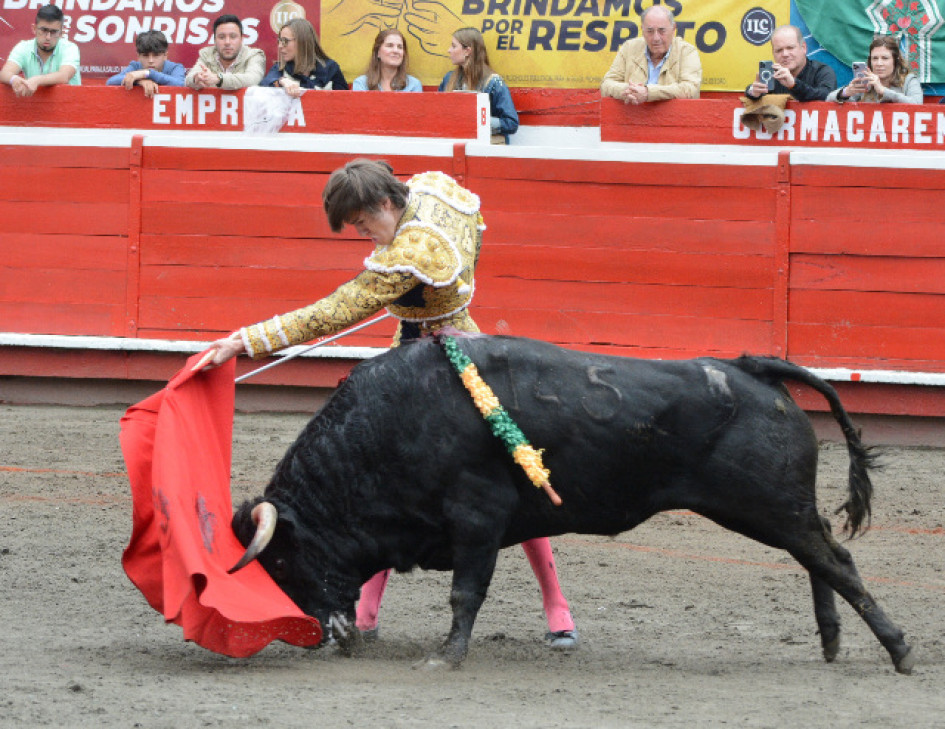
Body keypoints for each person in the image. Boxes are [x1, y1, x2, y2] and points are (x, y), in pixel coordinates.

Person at [202, 158, 579, 650]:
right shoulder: (432, 188)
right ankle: (376, 613)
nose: (364, 236)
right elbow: (472, 230)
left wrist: (244, 341)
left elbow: (334, 311)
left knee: (483, 477)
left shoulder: (414, 250)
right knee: (430, 477)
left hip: (440, 361)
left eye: (364, 223)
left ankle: (552, 602)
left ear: (385, 202)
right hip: (457, 344)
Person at [600, 5, 701, 104]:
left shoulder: (687, 51)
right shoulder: (629, 48)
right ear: (642, 30)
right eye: (650, 31)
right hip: (632, 113)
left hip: (674, 115)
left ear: (673, 28)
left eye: (662, 31)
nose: (656, 38)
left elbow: (691, 89)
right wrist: (629, 91)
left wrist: (648, 92)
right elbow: (606, 84)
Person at [438, 27, 518, 144]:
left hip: (484, 150)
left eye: (454, 46)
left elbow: (511, 123)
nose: (449, 50)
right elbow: (438, 114)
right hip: (455, 146)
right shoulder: (448, 78)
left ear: (467, 51)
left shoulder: (493, 82)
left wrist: (476, 122)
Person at [0, 4, 80, 97]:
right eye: (44, 30)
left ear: (61, 33)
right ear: (34, 29)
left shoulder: (70, 48)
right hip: (35, 104)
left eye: (53, 32)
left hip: (70, 103)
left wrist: (37, 80)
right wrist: (14, 79)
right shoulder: (23, 47)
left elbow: (64, 76)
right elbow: (4, 74)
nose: (48, 37)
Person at [745, 25, 835, 102]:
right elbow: (751, 92)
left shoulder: (822, 71)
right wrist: (753, 92)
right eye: (779, 50)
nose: (785, 54)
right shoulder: (772, 75)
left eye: (790, 48)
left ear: (803, 48)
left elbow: (827, 96)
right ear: (773, 53)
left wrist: (794, 85)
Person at [260, 18, 348, 97]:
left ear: (302, 42)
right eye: (279, 41)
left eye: (285, 41)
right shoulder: (280, 68)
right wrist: (282, 81)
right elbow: (264, 85)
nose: (280, 46)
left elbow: (345, 101)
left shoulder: (331, 69)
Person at [827, 35, 922, 104]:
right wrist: (846, 92)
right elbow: (828, 100)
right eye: (875, 58)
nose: (879, 63)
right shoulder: (866, 81)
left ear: (895, 60)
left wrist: (883, 91)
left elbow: (917, 104)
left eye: (885, 58)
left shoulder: (909, 80)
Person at [186, 14, 266, 90]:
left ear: (241, 39)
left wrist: (219, 79)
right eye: (221, 37)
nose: (227, 42)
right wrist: (196, 78)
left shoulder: (254, 55)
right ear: (215, 40)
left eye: (233, 37)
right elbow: (189, 79)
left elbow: (252, 79)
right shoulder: (207, 54)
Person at [107, 30, 185, 98]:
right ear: (138, 56)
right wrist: (139, 81)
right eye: (145, 56)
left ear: (165, 56)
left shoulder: (175, 67)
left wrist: (148, 74)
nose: (150, 60)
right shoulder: (135, 66)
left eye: (156, 55)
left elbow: (181, 84)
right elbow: (111, 82)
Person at [352, 28, 422, 92]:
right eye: (389, 46)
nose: (395, 50)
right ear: (378, 52)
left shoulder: (413, 85)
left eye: (400, 47)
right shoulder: (361, 84)